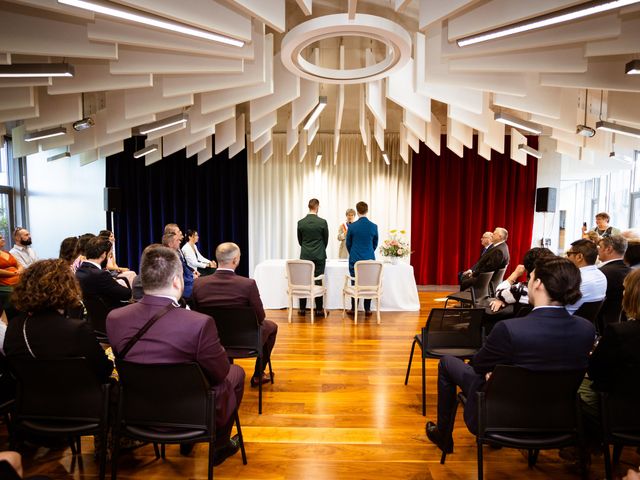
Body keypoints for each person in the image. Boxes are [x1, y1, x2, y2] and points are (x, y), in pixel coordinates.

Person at [425, 257, 596, 454]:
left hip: (498, 417)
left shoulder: (510, 329)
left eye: (530, 278)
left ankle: (443, 435)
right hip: (558, 419)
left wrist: (495, 374)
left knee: (447, 363)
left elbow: (478, 365)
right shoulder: (586, 329)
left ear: (538, 284)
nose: (528, 282)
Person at [107, 245, 244, 463]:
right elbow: (220, 372)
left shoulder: (114, 318)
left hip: (136, 411)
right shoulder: (199, 323)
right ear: (177, 281)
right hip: (192, 411)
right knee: (235, 374)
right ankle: (219, 445)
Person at [3, 259, 113, 382]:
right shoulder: (78, 329)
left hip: (32, 398)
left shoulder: (14, 326)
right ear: (67, 288)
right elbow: (104, 370)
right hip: (79, 398)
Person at [192, 242, 278, 388]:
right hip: (246, 341)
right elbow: (260, 317)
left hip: (212, 339)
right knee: (272, 326)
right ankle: (258, 375)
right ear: (235, 260)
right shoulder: (248, 284)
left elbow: (195, 315)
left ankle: (225, 370)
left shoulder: (198, 284)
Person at [578, 268, 640, 420]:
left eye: (625, 290)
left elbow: (596, 373)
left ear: (633, 296)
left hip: (623, 409)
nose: (623, 294)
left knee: (572, 387)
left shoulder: (620, 332)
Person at [485, 247, 554, 332]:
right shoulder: (558, 288)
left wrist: (515, 274)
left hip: (521, 331)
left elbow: (498, 292)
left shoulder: (520, 290)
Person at [75, 237, 131, 310]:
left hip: (94, 315)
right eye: (110, 253)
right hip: (110, 313)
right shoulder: (100, 275)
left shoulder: (79, 271)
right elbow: (126, 294)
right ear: (104, 254)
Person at [345, 201, 378, 316]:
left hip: (355, 258)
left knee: (355, 282)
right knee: (368, 282)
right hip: (369, 258)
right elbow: (375, 243)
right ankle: (367, 309)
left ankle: (354, 308)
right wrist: (368, 252)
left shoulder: (352, 226)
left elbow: (348, 243)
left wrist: (353, 252)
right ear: (367, 211)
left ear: (357, 211)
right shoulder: (374, 226)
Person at [297, 198, 329, 316]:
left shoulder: (301, 222)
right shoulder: (322, 222)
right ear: (317, 207)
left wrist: (307, 249)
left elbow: (300, 241)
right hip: (319, 255)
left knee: (304, 280)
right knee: (318, 280)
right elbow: (326, 240)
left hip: (305, 255)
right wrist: (319, 249)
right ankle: (319, 309)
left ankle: (302, 309)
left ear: (309, 207)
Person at [565, 239, 607, 314]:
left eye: (568, 254)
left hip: (564, 321)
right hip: (585, 323)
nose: (566, 258)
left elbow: (555, 302)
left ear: (579, 257)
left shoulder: (576, 280)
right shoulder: (602, 276)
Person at [598, 235, 631, 329]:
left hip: (603, 325)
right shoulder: (633, 272)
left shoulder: (600, 273)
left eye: (600, 247)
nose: (598, 250)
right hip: (625, 323)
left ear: (608, 249)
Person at [164, 223, 198, 300]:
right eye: (178, 231)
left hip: (187, 278)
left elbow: (184, 265)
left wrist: (192, 271)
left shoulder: (178, 249)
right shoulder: (170, 255)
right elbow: (178, 273)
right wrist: (192, 277)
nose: (180, 233)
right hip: (183, 285)